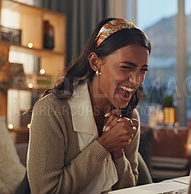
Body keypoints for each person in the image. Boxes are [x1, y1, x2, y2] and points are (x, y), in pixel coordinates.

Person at [27, 18, 151, 193]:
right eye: (125, 67)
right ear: (95, 62)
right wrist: (104, 144)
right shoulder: (51, 111)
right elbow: (47, 191)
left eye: (143, 70)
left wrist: (117, 153)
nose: (135, 80)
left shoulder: (129, 116)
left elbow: (128, 189)